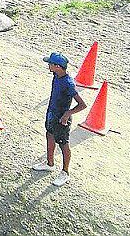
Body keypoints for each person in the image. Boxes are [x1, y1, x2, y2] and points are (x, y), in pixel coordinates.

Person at [32, 52, 87, 187]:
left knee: (63, 144)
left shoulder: (68, 83)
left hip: (62, 119)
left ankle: (65, 172)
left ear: (57, 66)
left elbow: (82, 105)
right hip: (52, 114)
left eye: (50, 64)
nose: (48, 65)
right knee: (49, 135)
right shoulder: (56, 75)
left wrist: (67, 114)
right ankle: (49, 163)